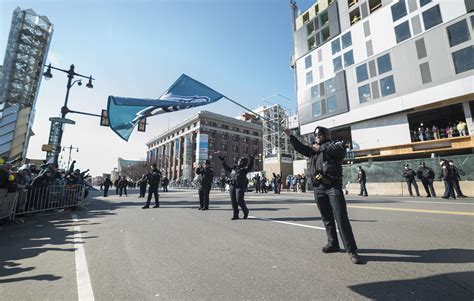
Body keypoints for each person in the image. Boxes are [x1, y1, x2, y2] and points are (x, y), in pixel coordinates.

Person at [285, 127, 361, 264]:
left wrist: (319, 148)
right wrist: (291, 136)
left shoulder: (334, 145)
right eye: (315, 135)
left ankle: (352, 250)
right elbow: (300, 148)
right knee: (326, 217)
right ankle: (333, 243)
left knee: (341, 218)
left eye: (320, 134)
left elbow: (338, 151)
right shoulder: (313, 149)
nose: (317, 136)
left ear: (326, 135)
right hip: (318, 187)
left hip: (333, 186)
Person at [219, 153, 254, 220]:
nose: (238, 162)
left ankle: (245, 211)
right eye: (239, 160)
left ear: (243, 163)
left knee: (239, 200)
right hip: (232, 186)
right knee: (233, 201)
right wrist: (223, 161)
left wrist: (252, 159)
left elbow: (250, 166)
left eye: (240, 161)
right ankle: (235, 215)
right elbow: (227, 168)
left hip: (240, 186)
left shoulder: (244, 170)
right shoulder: (235, 168)